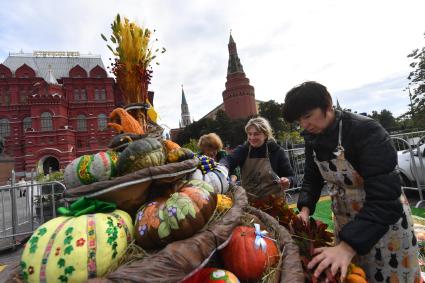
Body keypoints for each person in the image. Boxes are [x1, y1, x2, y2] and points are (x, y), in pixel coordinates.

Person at [282, 81, 420, 282]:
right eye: (299, 120)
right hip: (345, 222)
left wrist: (348, 247)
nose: (303, 125)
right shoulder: (312, 136)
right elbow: (312, 177)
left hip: (383, 223)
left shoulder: (366, 130)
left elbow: (385, 198)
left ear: (328, 107)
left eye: (308, 117)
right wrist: (304, 209)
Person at [221, 117, 295, 209]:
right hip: (251, 206)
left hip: (275, 205)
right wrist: (222, 167)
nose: (252, 138)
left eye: (256, 134)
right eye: (249, 134)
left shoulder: (276, 151)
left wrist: (288, 181)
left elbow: (291, 176)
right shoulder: (243, 150)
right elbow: (228, 160)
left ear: (265, 134)